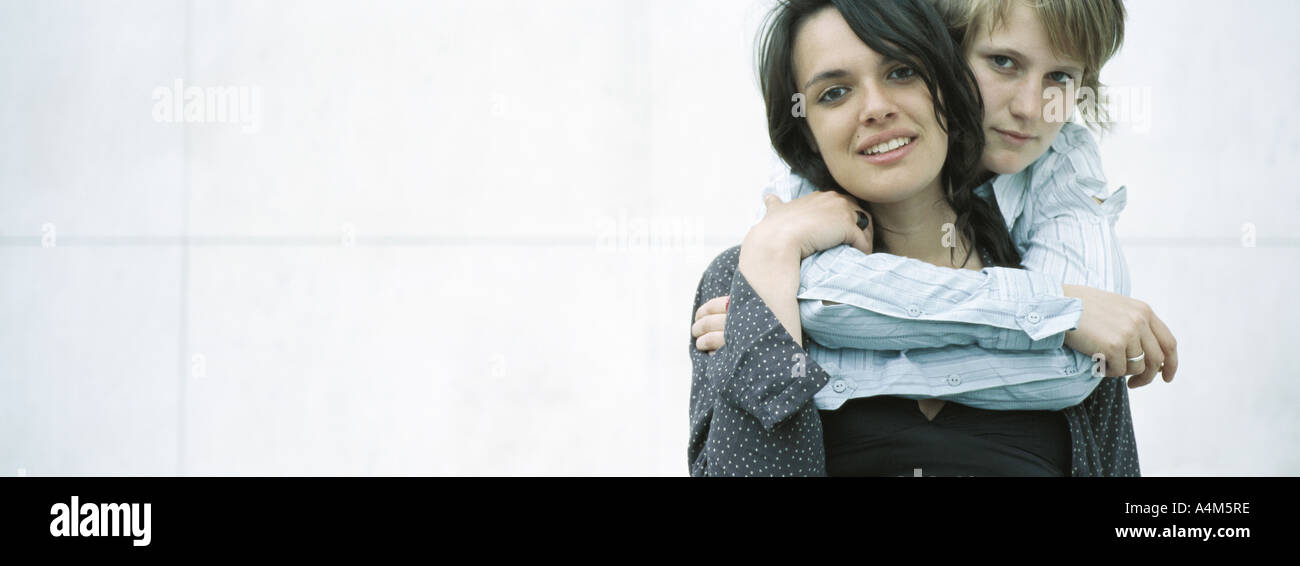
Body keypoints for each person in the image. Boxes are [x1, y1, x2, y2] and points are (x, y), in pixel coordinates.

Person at [688, 0, 1175, 476]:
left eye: (902, 72)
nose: (876, 109)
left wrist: (1062, 311)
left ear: (947, 82)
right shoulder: (749, 277)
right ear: (806, 133)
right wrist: (772, 254)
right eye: (834, 93)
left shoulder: (1081, 305)